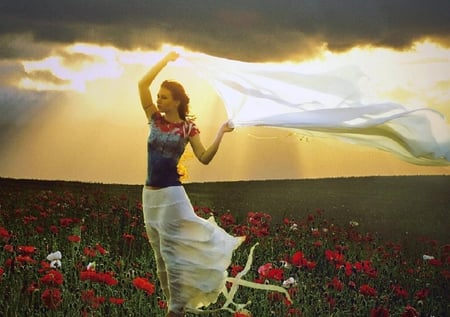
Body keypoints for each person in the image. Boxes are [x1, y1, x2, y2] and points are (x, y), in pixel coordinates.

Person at [138, 51, 244, 317]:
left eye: (164, 97)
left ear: (176, 101)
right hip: (149, 197)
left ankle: (176, 310)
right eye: (159, 96)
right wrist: (164, 61)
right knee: (160, 255)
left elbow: (205, 157)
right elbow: (142, 85)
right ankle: (178, 306)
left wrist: (220, 132)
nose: (159, 100)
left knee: (172, 253)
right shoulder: (155, 119)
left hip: (172, 195)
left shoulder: (188, 129)